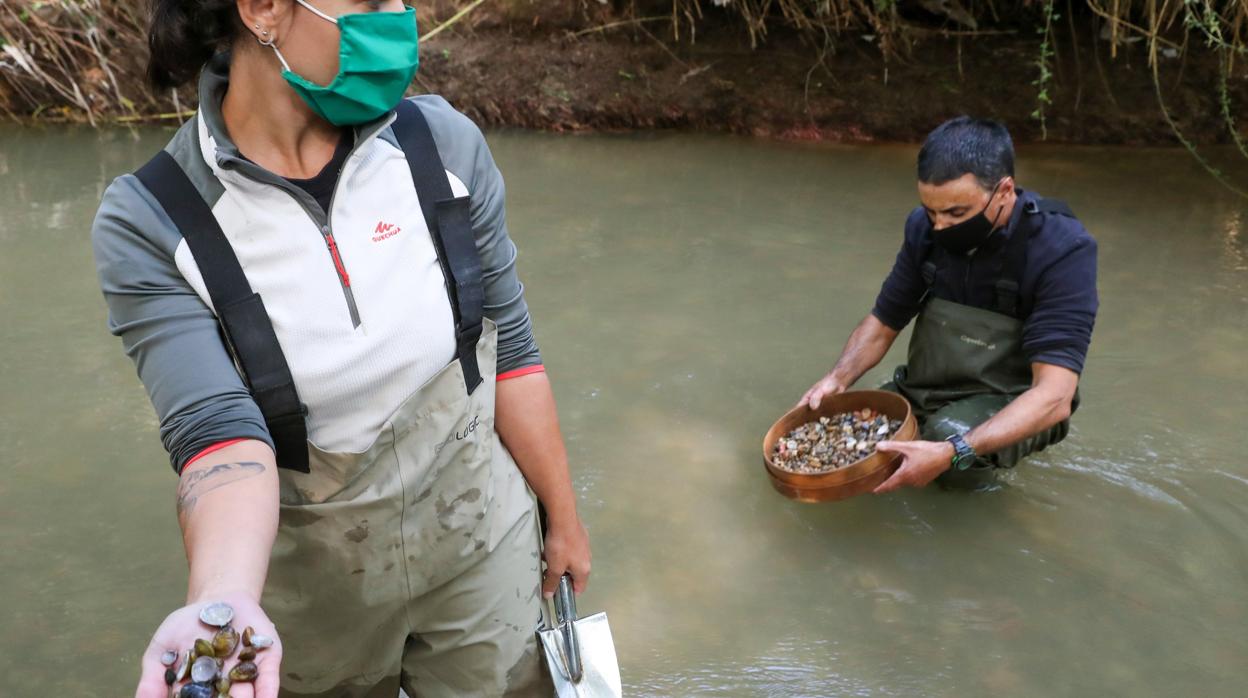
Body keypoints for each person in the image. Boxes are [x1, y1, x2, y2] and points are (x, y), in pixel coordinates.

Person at [90, 1, 590, 696]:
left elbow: (512, 351)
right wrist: (225, 601)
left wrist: (563, 519)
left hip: (484, 549)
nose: (400, 19)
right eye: (373, 3)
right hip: (316, 597)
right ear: (264, 10)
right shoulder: (151, 220)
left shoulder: (441, 145)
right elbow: (216, 435)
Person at [799, 116, 1098, 492]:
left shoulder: (1062, 249)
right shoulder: (923, 230)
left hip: (1015, 397)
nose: (940, 227)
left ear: (1005, 191)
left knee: (948, 441)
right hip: (930, 386)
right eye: (931, 211)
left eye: (957, 213)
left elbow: (1054, 397)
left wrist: (953, 451)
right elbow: (884, 321)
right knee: (858, 431)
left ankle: (981, 498)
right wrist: (836, 379)